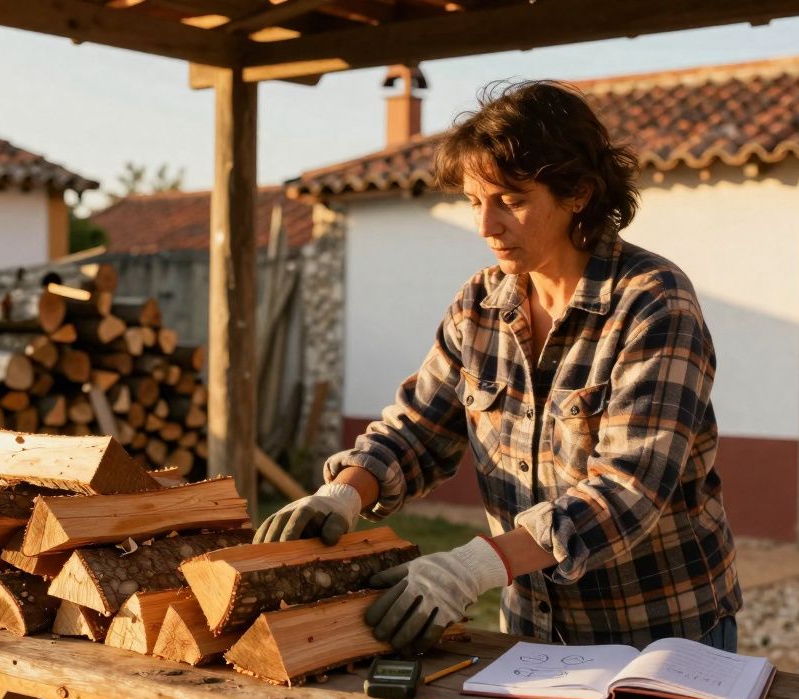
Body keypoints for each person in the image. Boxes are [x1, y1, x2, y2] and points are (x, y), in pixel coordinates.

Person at [255, 80, 742, 656]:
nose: (486, 227)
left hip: (661, 634)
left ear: (578, 193)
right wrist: (343, 492)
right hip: (533, 627)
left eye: (510, 201)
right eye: (473, 202)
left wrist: (471, 567)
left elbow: (627, 489)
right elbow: (417, 428)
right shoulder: (479, 304)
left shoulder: (653, 302)